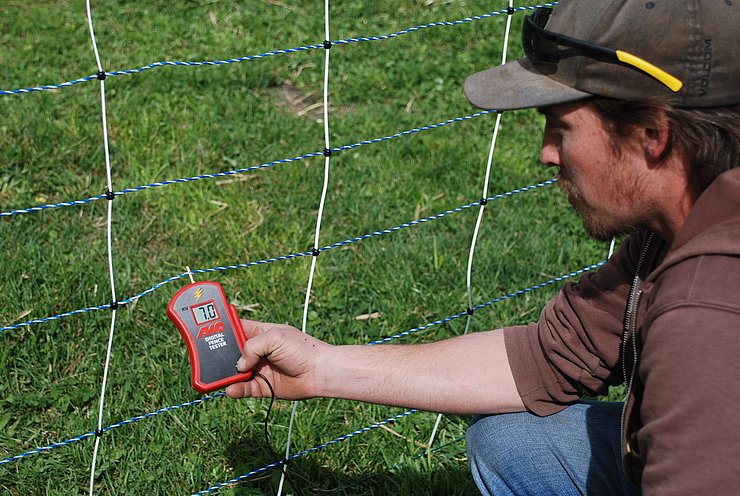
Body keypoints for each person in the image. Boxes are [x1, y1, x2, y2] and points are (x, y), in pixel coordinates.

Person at [226, 0, 740, 494]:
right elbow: (548, 359)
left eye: (561, 128)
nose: (546, 154)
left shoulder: (705, 313)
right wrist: (321, 365)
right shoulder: (675, 228)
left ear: (653, 133)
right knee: (515, 444)